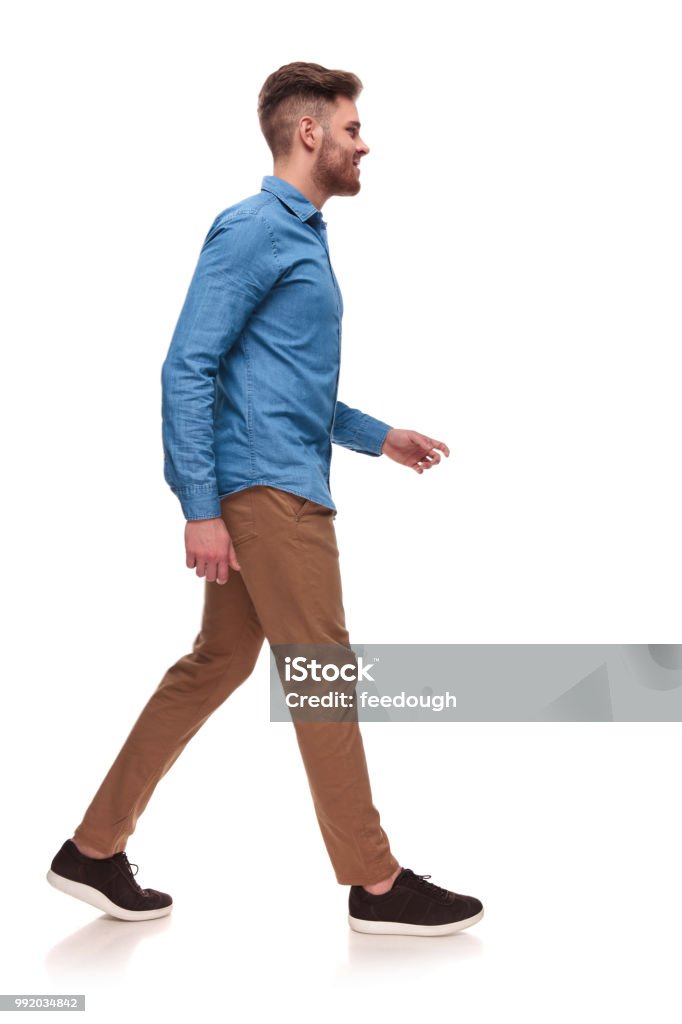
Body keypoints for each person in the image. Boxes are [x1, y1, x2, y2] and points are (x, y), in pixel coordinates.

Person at [47, 61, 484, 937]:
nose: (367, 144)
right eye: (354, 128)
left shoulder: (304, 235)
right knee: (324, 673)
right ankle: (375, 880)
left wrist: (376, 435)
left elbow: (280, 388)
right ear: (310, 133)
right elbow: (188, 366)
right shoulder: (254, 228)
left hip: (276, 479)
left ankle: (92, 850)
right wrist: (199, 507)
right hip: (268, 498)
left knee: (216, 664)